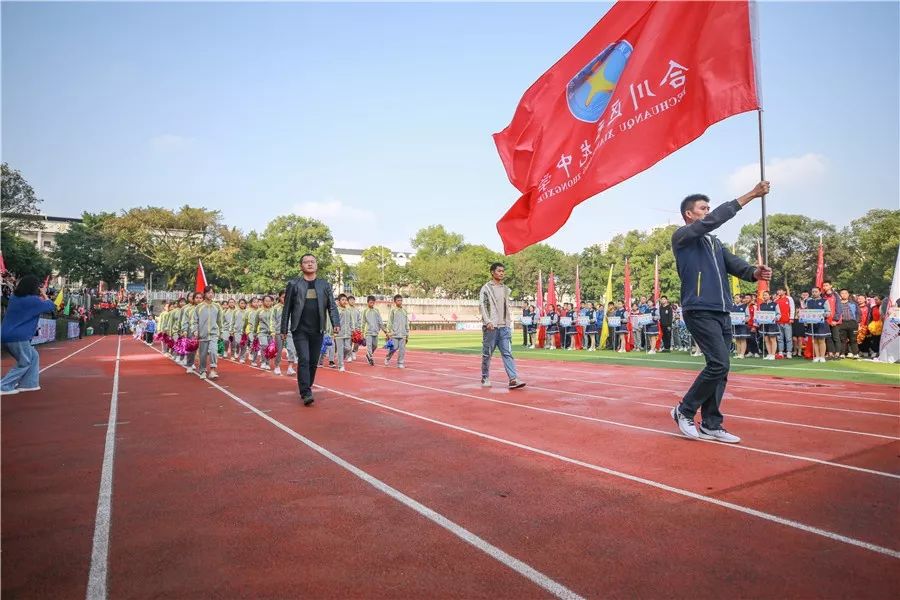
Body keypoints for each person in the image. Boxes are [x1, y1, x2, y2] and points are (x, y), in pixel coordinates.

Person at [669, 182, 772, 444]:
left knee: (721, 369)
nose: (708, 212)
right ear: (689, 215)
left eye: (708, 208)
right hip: (699, 308)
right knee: (718, 363)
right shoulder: (682, 237)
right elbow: (711, 222)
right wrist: (750, 196)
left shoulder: (714, 244)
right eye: (703, 208)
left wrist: (754, 272)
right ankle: (685, 410)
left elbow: (735, 266)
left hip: (722, 309)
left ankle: (712, 424)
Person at [280, 254, 341, 406]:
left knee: (313, 362)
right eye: (306, 262)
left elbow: (331, 306)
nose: (309, 264)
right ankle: (306, 392)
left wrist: (336, 322)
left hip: (317, 329)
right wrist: (283, 329)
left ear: (316, 265)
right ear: (301, 266)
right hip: (299, 329)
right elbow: (286, 308)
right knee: (304, 359)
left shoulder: (324, 285)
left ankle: (307, 386)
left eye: (312, 262)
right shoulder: (294, 284)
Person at [1, 276, 57, 395]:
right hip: (18, 337)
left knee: (34, 356)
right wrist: (44, 294)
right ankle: (4, 386)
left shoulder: (14, 298)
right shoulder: (33, 301)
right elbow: (51, 306)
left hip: (6, 334)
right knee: (24, 362)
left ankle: (28, 383)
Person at [478, 262, 527, 389]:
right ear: (492, 272)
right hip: (491, 327)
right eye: (499, 271)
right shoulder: (486, 288)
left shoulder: (505, 289)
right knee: (487, 353)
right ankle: (485, 377)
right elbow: (483, 306)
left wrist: (508, 322)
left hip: (504, 327)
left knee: (507, 353)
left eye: (503, 271)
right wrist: (487, 321)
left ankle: (513, 379)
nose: (501, 273)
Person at [194, 287, 224, 380]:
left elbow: (220, 320)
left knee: (214, 351)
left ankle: (213, 370)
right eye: (208, 293)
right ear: (205, 294)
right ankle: (202, 370)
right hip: (203, 334)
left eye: (212, 293)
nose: (210, 294)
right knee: (203, 354)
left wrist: (221, 332)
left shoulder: (217, 306)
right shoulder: (199, 307)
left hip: (214, 333)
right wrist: (195, 330)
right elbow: (195, 321)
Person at [805, 286, 832, 362]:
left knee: (821, 340)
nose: (814, 293)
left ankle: (822, 356)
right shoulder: (809, 301)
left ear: (820, 292)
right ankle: (817, 356)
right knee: (815, 340)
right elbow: (807, 311)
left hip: (821, 323)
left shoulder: (824, 301)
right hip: (812, 323)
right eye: (813, 292)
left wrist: (823, 314)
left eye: (816, 291)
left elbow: (828, 312)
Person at [385, 295, 409, 368]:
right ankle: (387, 357)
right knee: (394, 348)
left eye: (401, 300)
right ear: (395, 301)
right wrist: (388, 332)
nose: (400, 302)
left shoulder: (404, 311)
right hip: (394, 333)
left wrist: (407, 332)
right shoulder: (393, 310)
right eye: (398, 300)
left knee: (402, 350)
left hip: (403, 333)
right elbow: (390, 321)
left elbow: (406, 322)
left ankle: (400, 363)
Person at [756, 290, 781, 360]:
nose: (764, 296)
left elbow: (779, 314)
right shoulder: (761, 305)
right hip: (764, 324)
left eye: (766, 295)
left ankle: (773, 354)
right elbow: (759, 314)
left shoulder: (775, 304)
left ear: (770, 296)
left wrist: (775, 318)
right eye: (763, 295)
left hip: (772, 324)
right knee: (766, 339)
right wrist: (758, 320)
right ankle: (769, 354)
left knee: (773, 339)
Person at [836, 288, 860, 358]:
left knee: (853, 339)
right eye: (842, 293)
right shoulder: (838, 303)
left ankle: (855, 353)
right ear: (840, 295)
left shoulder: (853, 303)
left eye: (845, 293)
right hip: (842, 323)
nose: (844, 295)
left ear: (848, 294)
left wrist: (857, 321)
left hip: (852, 323)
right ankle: (842, 353)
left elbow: (858, 313)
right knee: (842, 339)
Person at [363, 295, 385, 366]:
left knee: (375, 346)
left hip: (375, 332)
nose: (372, 304)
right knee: (369, 346)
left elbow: (380, 321)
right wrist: (361, 331)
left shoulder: (376, 311)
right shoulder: (365, 311)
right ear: (367, 302)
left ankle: (368, 355)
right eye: (370, 302)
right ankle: (370, 358)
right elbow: (363, 322)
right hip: (368, 332)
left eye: (373, 303)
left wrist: (385, 330)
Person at [334, 294, 353, 372]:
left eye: (345, 300)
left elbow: (351, 321)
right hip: (339, 334)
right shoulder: (336, 310)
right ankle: (340, 365)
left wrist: (352, 329)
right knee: (340, 350)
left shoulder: (348, 310)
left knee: (348, 348)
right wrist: (334, 332)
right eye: (343, 300)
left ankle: (340, 357)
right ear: (339, 301)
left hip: (347, 333)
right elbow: (334, 322)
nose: (345, 301)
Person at [774, 287, 794, 359]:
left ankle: (789, 352)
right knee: (779, 338)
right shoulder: (776, 300)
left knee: (788, 338)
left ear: (784, 292)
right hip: (778, 322)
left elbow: (792, 308)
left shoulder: (789, 298)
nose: (779, 291)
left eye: (780, 290)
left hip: (787, 321)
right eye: (778, 290)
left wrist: (791, 318)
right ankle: (781, 352)